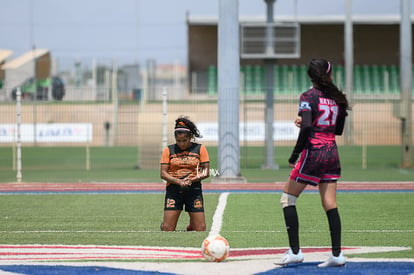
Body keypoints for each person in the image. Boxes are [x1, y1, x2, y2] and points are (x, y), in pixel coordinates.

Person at [278, 58, 350, 267]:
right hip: (332, 153)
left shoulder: (308, 96)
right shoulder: (338, 98)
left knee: (287, 199)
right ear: (328, 74)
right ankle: (337, 255)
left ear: (310, 76)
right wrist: (308, 122)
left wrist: (294, 155)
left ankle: (295, 252)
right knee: (330, 204)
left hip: (314, 152)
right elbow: (337, 130)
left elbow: (308, 129)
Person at [160, 116, 210, 231]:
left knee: (200, 228)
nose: (181, 144)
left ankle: (192, 223)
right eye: (178, 141)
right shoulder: (169, 150)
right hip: (174, 190)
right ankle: (166, 223)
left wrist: (191, 180)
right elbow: (163, 173)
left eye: (184, 141)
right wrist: (178, 181)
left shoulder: (200, 149)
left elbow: (206, 171)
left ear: (190, 137)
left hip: (194, 189)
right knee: (168, 229)